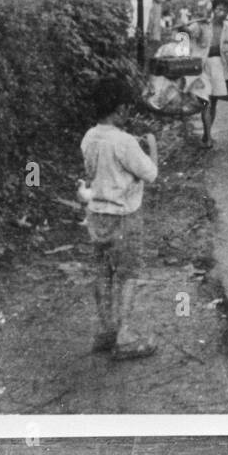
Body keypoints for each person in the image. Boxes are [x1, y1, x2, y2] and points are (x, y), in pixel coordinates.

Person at [80, 77, 159, 361]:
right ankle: (124, 335)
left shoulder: (89, 137)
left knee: (102, 273)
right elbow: (150, 173)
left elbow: (94, 171)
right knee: (127, 274)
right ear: (118, 109)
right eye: (125, 107)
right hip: (124, 217)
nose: (127, 112)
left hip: (96, 215)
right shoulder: (125, 142)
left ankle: (106, 329)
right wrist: (151, 147)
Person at [192, 0, 228, 148]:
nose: (220, 12)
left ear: (227, 13)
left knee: (214, 102)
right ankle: (209, 138)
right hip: (203, 65)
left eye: (224, 10)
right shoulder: (203, 25)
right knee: (206, 101)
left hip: (218, 65)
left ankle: (207, 133)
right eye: (218, 9)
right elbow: (190, 33)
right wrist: (184, 30)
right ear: (213, 10)